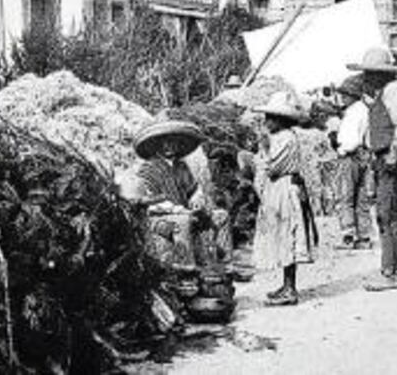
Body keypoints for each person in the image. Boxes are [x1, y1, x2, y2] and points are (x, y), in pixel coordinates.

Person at [347, 47, 397, 292]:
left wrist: (393, 152)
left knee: (387, 216)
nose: (367, 77)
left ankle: (390, 272)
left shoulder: (391, 92)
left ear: (380, 74)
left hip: (390, 160)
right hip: (388, 159)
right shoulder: (387, 92)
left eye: (370, 73)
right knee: (394, 215)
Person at [132, 120, 232, 270]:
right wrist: (177, 209)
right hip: (159, 217)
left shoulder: (181, 166)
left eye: (174, 143)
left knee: (221, 216)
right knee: (184, 221)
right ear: (158, 145)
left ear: (179, 145)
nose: (170, 146)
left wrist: (197, 199)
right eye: (165, 143)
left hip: (186, 212)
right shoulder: (148, 168)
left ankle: (223, 264)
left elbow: (194, 189)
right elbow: (148, 201)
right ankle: (187, 270)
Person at [251, 92, 315, 306]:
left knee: (288, 235)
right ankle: (286, 284)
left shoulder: (286, 138)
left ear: (281, 120)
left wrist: (263, 151)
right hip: (279, 188)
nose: (267, 122)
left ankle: (290, 288)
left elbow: (272, 167)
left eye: (270, 118)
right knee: (282, 235)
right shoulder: (280, 137)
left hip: (284, 188)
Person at [332, 74, 374, 251]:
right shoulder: (364, 110)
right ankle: (364, 236)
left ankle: (348, 235)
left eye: (344, 94)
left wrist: (340, 150)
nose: (342, 97)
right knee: (361, 197)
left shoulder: (352, 113)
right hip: (364, 155)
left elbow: (351, 140)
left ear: (351, 95)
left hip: (350, 156)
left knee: (346, 196)